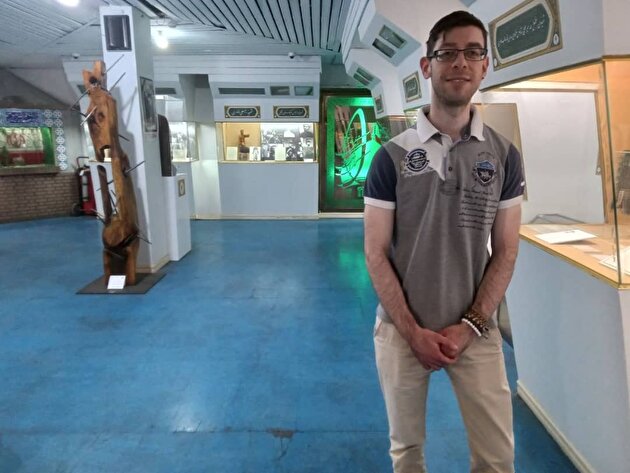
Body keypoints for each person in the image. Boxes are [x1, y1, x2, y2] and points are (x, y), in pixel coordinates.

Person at [363, 10, 525, 473]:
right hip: (400, 332)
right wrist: (412, 332)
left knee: (497, 458)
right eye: (447, 53)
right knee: (406, 454)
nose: (460, 63)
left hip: (475, 329)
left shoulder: (504, 155)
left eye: (472, 53)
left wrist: (471, 325)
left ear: (485, 65)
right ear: (426, 66)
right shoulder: (391, 157)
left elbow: (506, 250)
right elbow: (375, 252)